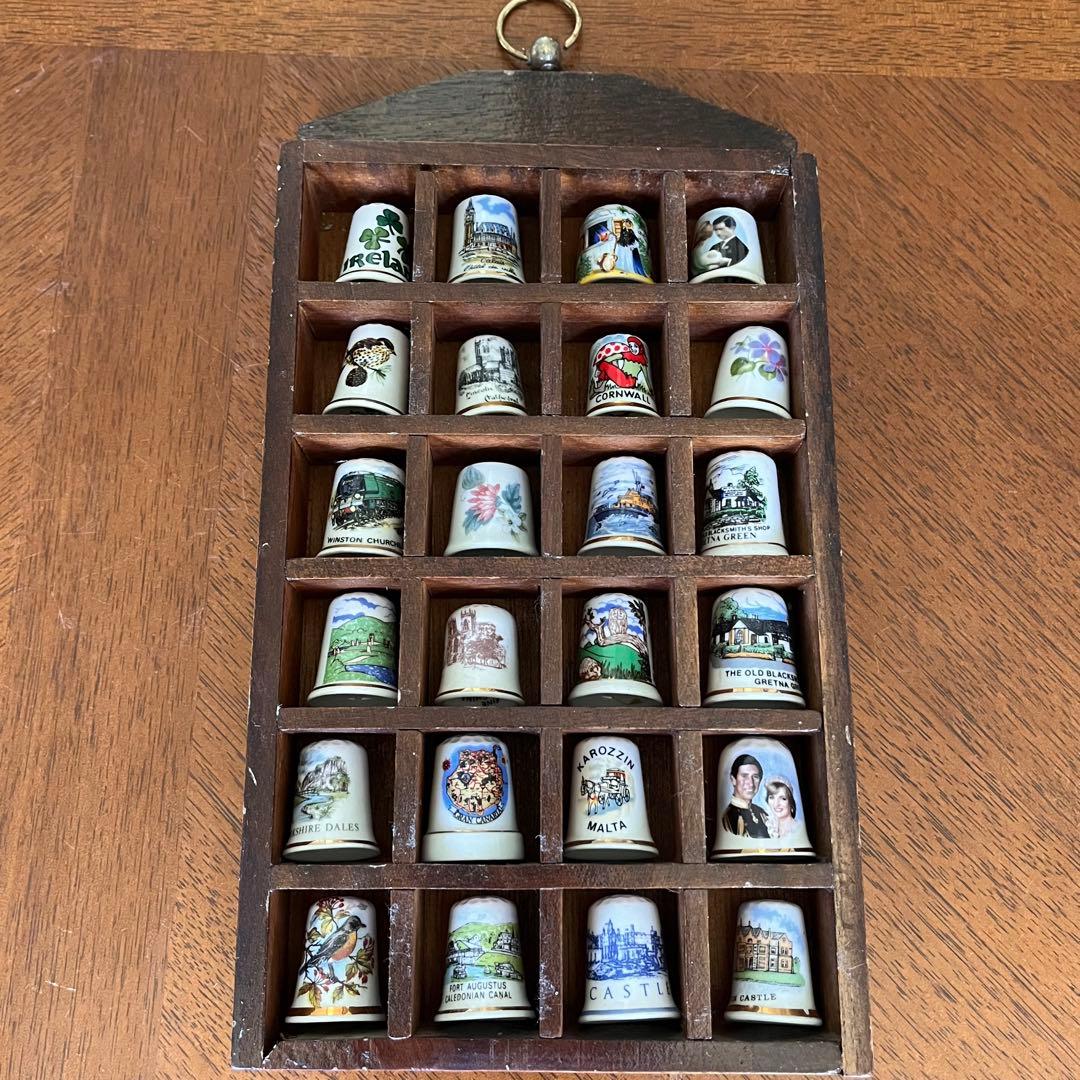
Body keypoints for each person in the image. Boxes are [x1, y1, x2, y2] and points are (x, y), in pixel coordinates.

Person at [721, 754, 770, 838]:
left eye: (755, 777)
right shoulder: (728, 817)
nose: (751, 783)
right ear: (733, 780)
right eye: (744, 776)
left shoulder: (762, 813)